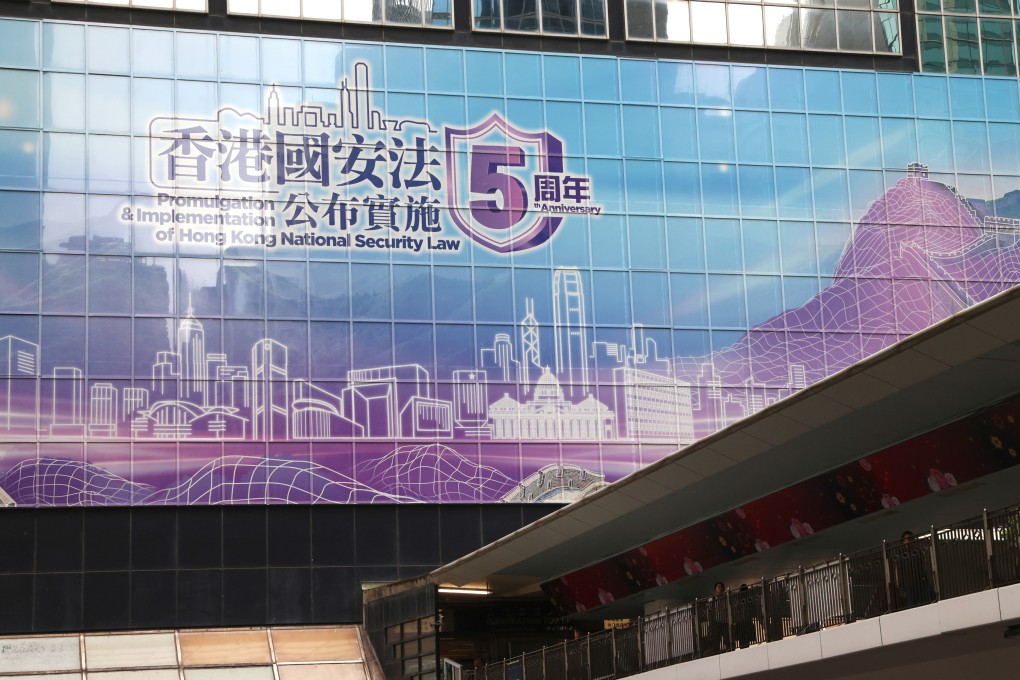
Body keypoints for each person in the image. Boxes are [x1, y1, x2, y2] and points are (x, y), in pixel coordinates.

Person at [896, 531, 934, 608]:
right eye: (908, 539)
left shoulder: (917, 552)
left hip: (919, 579)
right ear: (904, 541)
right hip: (908, 582)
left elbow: (922, 565)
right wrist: (898, 585)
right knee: (912, 602)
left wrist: (925, 577)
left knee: (924, 600)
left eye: (911, 539)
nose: (910, 541)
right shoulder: (901, 554)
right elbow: (898, 569)